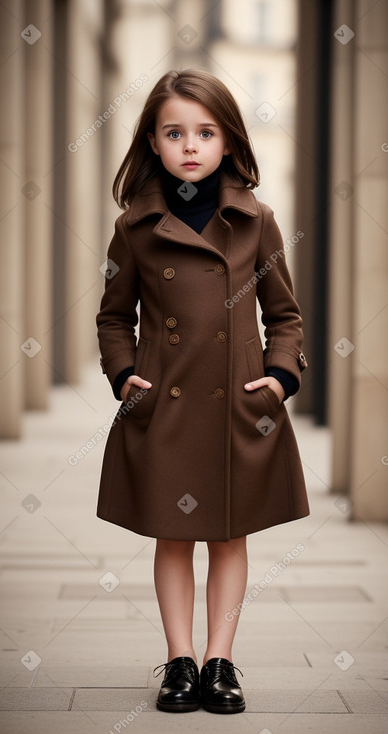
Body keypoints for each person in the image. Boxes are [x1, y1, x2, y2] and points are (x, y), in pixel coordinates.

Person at [96, 68, 310, 715]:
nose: (189, 145)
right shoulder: (134, 226)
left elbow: (285, 314)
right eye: (173, 132)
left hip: (236, 408)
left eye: (204, 131)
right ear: (153, 143)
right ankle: (179, 661)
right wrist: (122, 373)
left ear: (227, 141)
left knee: (227, 536)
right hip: (162, 405)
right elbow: (112, 314)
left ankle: (220, 662)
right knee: (171, 535)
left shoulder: (256, 221)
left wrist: (277, 379)